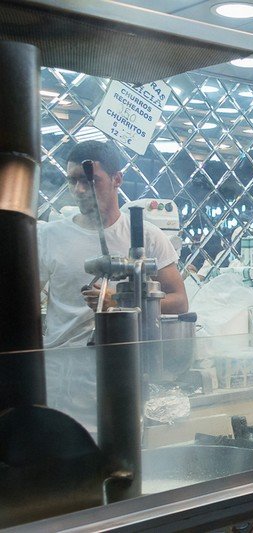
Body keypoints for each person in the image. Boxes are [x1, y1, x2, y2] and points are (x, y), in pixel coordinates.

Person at [39, 141, 188, 435]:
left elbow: (179, 301)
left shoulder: (148, 237)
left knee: (120, 455)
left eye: (90, 180)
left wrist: (118, 302)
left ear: (117, 179)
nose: (80, 190)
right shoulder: (50, 236)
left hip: (122, 373)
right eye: (73, 180)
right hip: (61, 379)